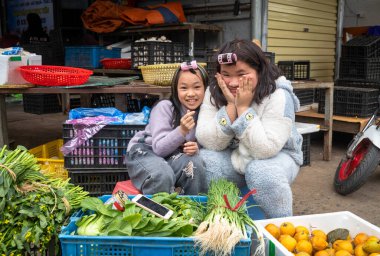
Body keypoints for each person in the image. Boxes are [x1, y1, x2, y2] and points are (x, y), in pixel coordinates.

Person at [195, 39, 303, 218]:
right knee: (206, 161)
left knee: (262, 173)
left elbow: (266, 148)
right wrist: (231, 106)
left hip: (278, 156)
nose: (233, 82)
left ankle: (280, 229)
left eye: (241, 73)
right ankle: (223, 222)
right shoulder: (215, 90)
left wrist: (243, 109)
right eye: (226, 74)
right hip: (235, 155)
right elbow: (207, 140)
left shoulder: (278, 94)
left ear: (259, 70)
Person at [125, 60, 209, 195]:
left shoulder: (206, 113)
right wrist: (181, 130)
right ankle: (159, 214)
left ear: (206, 89)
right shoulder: (164, 107)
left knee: (195, 165)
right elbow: (158, 149)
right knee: (161, 176)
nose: (191, 93)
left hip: (174, 155)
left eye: (197, 87)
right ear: (175, 90)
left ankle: (192, 211)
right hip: (146, 151)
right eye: (184, 88)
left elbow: (208, 142)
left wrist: (197, 147)